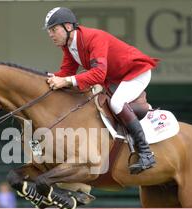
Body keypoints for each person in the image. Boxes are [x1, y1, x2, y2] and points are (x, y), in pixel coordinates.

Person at [44, 7, 159, 174]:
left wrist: (66, 80)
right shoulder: (68, 45)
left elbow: (98, 74)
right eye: (49, 31)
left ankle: (146, 153)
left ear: (68, 27)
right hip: (116, 78)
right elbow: (66, 72)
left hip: (136, 72)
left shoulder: (94, 37)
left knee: (117, 103)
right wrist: (46, 79)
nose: (51, 34)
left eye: (54, 29)